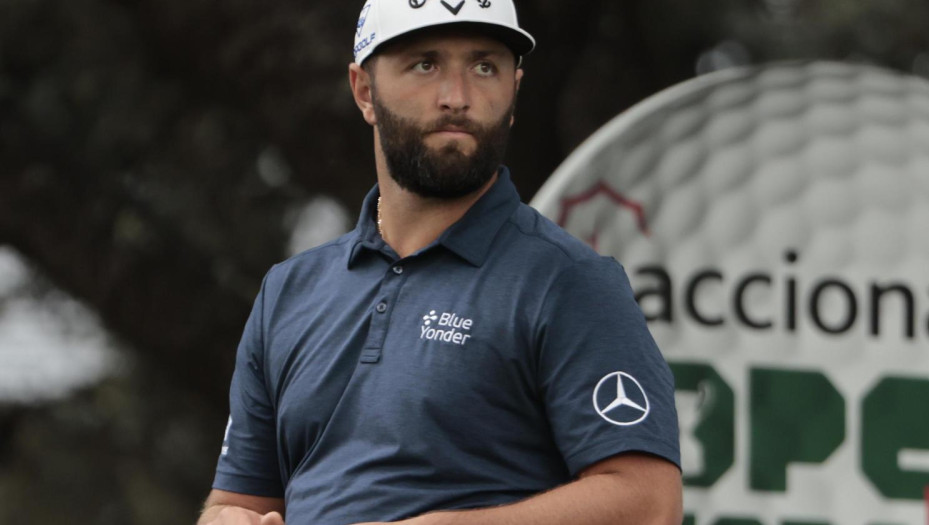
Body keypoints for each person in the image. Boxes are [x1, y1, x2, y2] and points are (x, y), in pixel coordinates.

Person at [196, 1, 682, 524]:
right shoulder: (288, 291)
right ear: (364, 91)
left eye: (484, 67)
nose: (458, 98)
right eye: (425, 64)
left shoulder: (569, 282)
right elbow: (237, 503)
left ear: (514, 91)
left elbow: (649, 505)